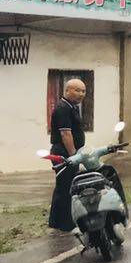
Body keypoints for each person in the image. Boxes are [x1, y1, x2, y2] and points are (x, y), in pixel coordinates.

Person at [47, 78, 87, 231]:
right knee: (65, 187)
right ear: (67, 91)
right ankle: (62, 224)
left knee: (69, 185)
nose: (81, 94)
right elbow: (66, 135)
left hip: (69, 152)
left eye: (83, 91)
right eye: (77, 90)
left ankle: (62, 221)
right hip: (64, 153)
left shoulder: (71, 107)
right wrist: (73, 157)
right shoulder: (63, 108)